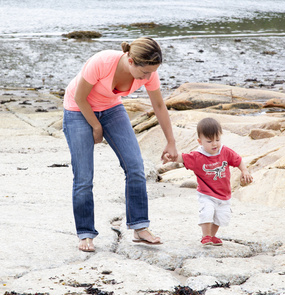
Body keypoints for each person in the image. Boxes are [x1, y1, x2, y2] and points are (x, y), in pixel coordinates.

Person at [63, 37, 178, 252]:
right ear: (131, 61)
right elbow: (80, 97)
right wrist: (96, 127)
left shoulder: (148, 73)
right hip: (78, 110)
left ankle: (140, 227)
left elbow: (160, 105)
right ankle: (85, 233)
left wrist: (171, 142)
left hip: (111, 109)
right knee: (84, 176)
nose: (148, 77)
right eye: (144, 73)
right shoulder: (103, 61)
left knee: (135, 166)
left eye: (152, 72)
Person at [163, 117, 252, 246]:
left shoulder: (225, 151)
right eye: (209, 141)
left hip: (224, 194)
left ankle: (212, 236)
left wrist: (245, 171)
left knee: (221, 217)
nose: (214, 144)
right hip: (206, 193)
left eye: (217, 140)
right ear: (200, 141)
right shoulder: (197, 156)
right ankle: (205, 237)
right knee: (207, 212)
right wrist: (171, 157)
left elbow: (237, 160)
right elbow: (182, 157)